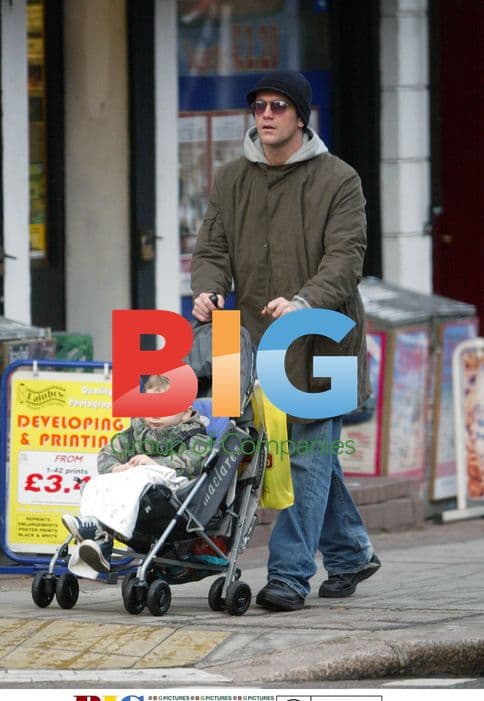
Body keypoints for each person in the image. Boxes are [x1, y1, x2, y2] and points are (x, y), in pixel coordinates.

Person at [191, 70, 380, 611]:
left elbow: (346, 259)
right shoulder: (230, 178)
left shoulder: (340, 179)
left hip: (322, 339)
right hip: (246, 341)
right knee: (294, 455)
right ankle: (349, 553)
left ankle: (290, 576)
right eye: (259, 106)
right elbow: (211, 250)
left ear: (301, 116)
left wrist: (304, 301)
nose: (266, 115)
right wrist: (206, 292)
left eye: (278, 106)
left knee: (302, 456)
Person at [62, 374, 211, 575]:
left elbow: (195, 460)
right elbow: (107, 453)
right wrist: (116, 468)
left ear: (185, 413)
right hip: (138, 486)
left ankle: (100, 532)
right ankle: (95, 532)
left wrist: (155, 463)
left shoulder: (195, 435)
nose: (155, 415)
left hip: (174, 489)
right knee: (99, 481)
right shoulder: (135, 433)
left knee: (141, 474)